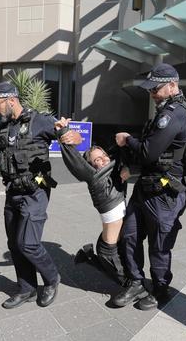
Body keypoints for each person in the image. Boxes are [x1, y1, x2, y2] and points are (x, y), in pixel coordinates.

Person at [0, 81, 81, 309]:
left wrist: (73, 137)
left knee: (28, 243)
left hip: (35, 192)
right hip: (12, 192)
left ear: (11, 100)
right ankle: (27, 288)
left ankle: (52, 279)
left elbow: (71, 136)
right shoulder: (3, 128)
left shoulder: (39, 120)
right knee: (14, 244)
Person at [113, 63, 186, 310]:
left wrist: (127, 140)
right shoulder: (165, 110)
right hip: (146, 186)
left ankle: (160, 289)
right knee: (129, 236)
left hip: (164, 192)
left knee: (159, 246)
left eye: (155, 89)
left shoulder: (175, 113)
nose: (152, 94)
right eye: (150, 89)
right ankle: (136, 282)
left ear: (172, 85)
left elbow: (148, 152)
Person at [54, 117, 130, 286]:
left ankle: (88, 257)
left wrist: (126, 168)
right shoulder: (94, 176)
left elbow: (122, 154)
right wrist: (63, 132)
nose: (103, 160)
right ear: (91, 165)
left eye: (104, 156)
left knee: (124, 263)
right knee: (120, 273)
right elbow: (75, 161)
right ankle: (131, 286)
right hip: (108, 247)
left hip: (114, 239)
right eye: (97, 160)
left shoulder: (115, 168)